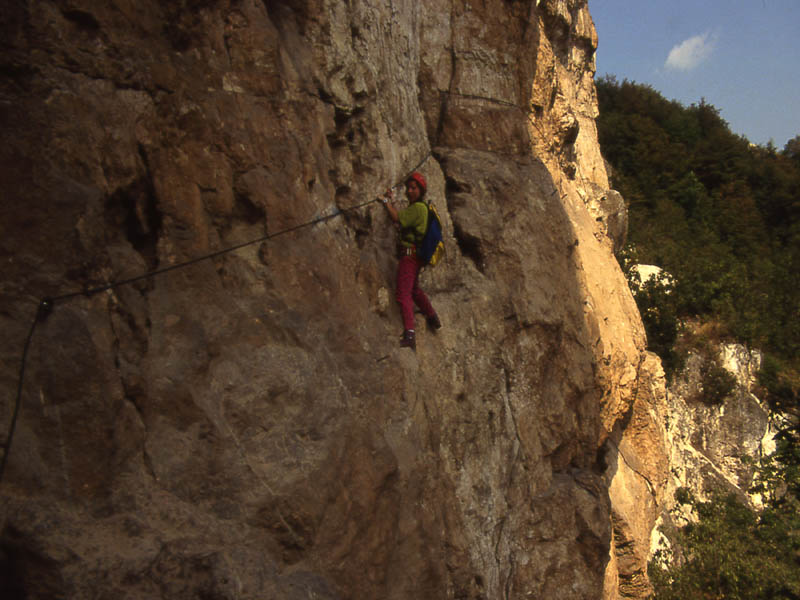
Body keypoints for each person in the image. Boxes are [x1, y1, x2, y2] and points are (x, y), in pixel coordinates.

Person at [381, 172, 442, 351]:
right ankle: (432, 317)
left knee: (403, 293)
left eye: (414, 188)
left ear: (421, 190)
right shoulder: (422, 208)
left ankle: (409, 334)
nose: (410, 191)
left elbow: (396, 218)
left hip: (410, 256)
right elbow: (403, 221)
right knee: (414, 290)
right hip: (418, 256)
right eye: (409, 188)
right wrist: (390, 201)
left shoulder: (417, 209)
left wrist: (385, 202)